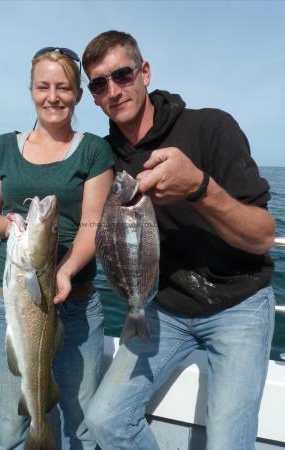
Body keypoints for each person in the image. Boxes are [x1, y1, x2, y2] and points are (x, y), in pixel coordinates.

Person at [81, 31, 276, 450]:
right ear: (93, 97)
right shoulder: (102, 158)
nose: (114, 90)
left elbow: (261, 235)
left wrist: (198, 188)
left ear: (144, 72)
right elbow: (83, 219)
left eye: (122, 74)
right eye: (100, 84)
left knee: (226, 441)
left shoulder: (210, 127)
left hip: (239, 303)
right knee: (104, 421)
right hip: (160, 308)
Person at [0, 46, 114, 450]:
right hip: (14, 304)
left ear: (78, 94)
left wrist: (65, 271)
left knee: (81, 425)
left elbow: (92, 225)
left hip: (77, 304)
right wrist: (10, 225)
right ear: (31, 90)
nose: (53, 96)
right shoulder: (3, 147)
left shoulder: (93, 151)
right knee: (5, 429)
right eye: (43, 86)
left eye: (64, 87)